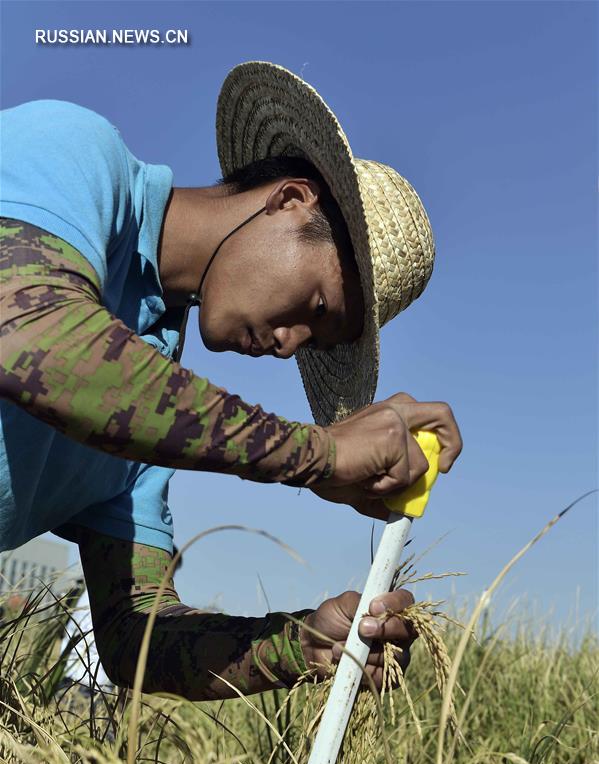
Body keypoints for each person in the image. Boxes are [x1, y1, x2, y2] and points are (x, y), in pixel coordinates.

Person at [0, 61, 462, 701]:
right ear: (292, 199)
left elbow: (137, 638)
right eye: (318, 307)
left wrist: (302, 643)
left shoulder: (151, 413)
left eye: (316, 342)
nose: (289, 343)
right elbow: (31, 334)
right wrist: (319, 455)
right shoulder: (70, 151)